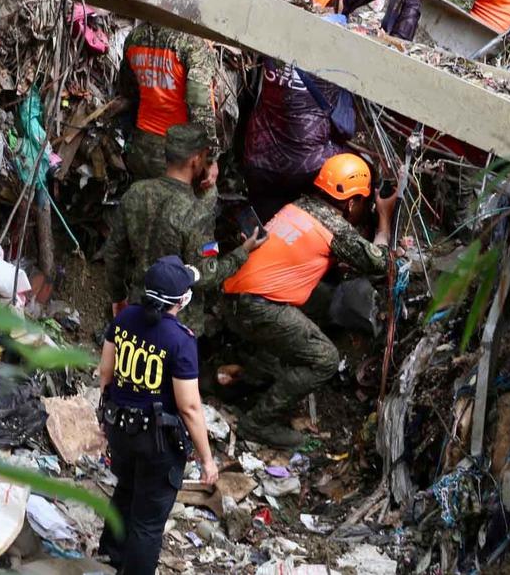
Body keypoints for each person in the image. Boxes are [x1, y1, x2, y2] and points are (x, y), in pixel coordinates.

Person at [222, 154, 397, 447]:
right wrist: (384, 218)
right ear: (352, 203)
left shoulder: (298, 206)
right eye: (362, 203)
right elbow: (381, 262)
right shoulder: (336, 228)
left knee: (325, 300)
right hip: (258, 307)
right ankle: (258, 422)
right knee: (325, 359)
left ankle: (254, 376)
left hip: (235, 295)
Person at [242, 0, 430, 222]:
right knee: (365, 174)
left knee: (265, 225)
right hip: (305, 166)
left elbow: (335, 2)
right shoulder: (339, 47)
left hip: (256, 158)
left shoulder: (279, 24)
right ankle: (365, 232)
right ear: (334, 2)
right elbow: (394, 60)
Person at [97, 255, 219, 574]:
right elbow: (189, 407)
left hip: (120, 429)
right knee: (148, 521)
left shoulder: (124, 318)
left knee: (125, 490)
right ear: (181, 300)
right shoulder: (180, 340)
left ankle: (109, 556)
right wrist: (207, 460)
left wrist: (104, 418)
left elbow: (105, 373)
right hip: (156, 442)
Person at [105, 123, 266, 331]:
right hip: (178, 322)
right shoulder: (197, 213)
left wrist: (118, 297)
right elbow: (207, 274)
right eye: (205, 157)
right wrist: (242, 252)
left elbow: (114, 252)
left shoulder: (135, 193)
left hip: (140, 306)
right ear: (195, 160)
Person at [119, 22, 221, 181]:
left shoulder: (134, 37)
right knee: (199, 195)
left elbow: (128, 89)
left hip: (141, 148)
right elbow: (199, 103)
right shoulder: (192, 42)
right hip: (177, 156)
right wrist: (209, 158)